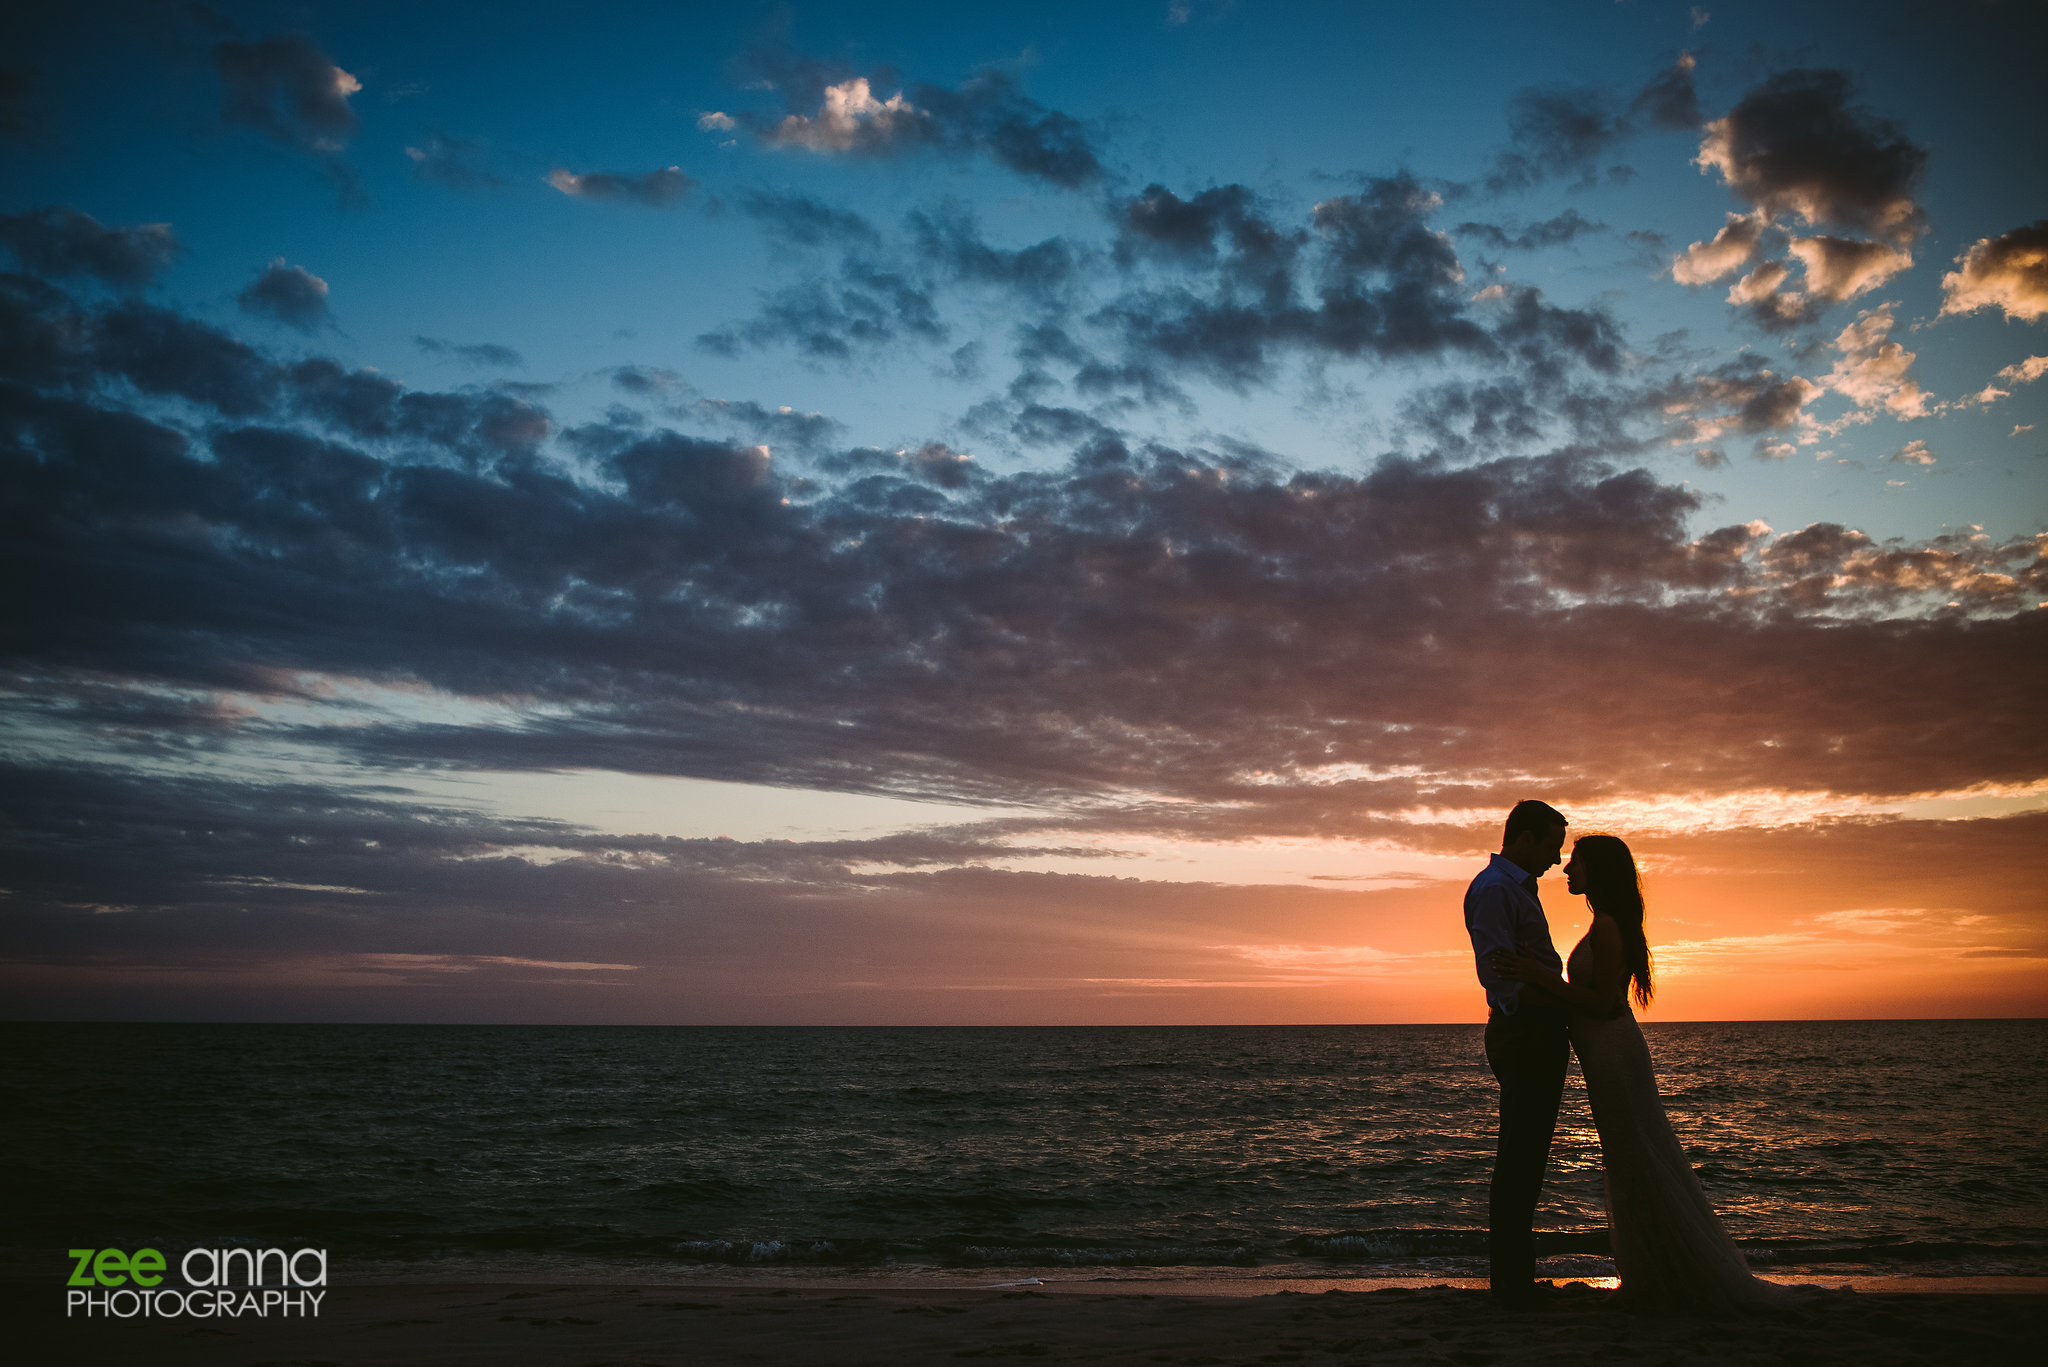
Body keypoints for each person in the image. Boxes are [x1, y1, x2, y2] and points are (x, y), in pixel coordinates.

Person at [1492, 834, 1787, 1311]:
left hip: (1613, 1053)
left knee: (1637, 1155)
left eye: (1577, 863)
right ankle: (1653, 1270)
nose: (1567, 870)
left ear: (1599, 872)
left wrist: (1536, 976)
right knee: (1628, 1157)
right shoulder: (1601, 922)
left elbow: (1606, 1004)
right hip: (1601, 1053)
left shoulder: (1608, 927)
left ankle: (1669, 1274)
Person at [1462, 799, 1571, 1307]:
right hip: (1524, 1030)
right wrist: (1546, 996)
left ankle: (1515, 1280)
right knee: (1520, 1161)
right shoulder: (1496, 890)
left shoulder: (1517, 888)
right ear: (1524, 838)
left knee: (1528, 1159)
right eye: (1551, 846)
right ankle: (1510, 1285)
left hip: (1539, 1027)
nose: (1555, 859)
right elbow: (1499, 974)